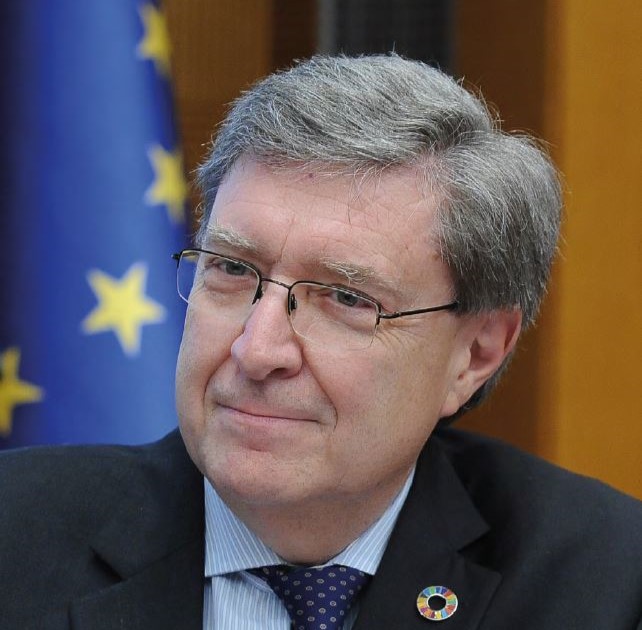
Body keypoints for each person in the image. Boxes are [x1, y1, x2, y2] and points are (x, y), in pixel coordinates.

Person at [1, 54, 641, 630]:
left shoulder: (607, 583)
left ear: (475, 354)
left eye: (347, 299)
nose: (256, 351)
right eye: (231, 269)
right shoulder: (15, 538)